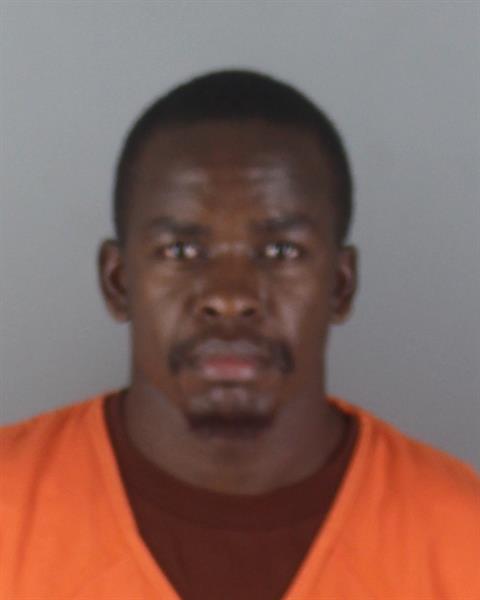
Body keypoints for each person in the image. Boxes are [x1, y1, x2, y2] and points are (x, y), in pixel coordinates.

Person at [1, 70, 478, 600]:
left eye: (281, 252)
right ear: (118, 282)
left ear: (341, 286)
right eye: (181, 252)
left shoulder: (464, 537)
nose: (230, 297)